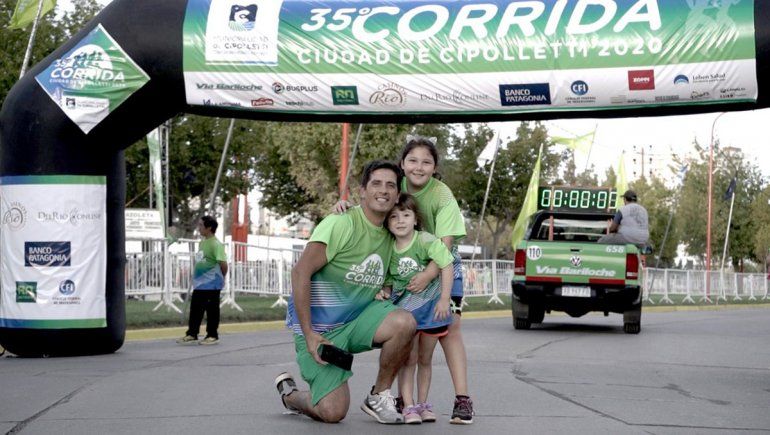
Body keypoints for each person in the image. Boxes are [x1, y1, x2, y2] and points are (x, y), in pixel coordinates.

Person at [334, 135, 474, 424]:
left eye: (426, 162)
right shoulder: (395, 189)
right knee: (408, 335)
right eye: (412, 160)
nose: (418, 167)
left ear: (435, 167)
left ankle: (462, 400)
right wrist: (344, 207)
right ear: (402, 163)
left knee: (450, 330)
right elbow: (373, 206)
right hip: (407, 269)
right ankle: (404, 399)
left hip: (442, 264)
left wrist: (429, 274)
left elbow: (445, 245)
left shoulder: (443, 195)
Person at [275, 160, 417, 424]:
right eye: (376, 183)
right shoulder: (341, 223)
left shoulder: (392, 231)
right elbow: (300, 272)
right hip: (321, 332)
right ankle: (292, 397)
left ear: (398, 194)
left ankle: (379, 394)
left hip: (358, 320)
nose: (383, 190)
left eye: (390, 185)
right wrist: (309, 335)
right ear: (362, 190)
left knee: (404, 322)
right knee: (332, 412)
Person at [378, 193, 454, 424]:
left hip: (432, 311)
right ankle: (408, 405)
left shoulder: (426, 240)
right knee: (408, 360)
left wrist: (444, 298)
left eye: (406, 215)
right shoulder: (389, 248)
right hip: (406, 315)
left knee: (425, 359)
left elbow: (447, 264)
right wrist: (384, 293)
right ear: (388, 223)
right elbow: (390, 283)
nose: (400, 220)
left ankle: (423, 404)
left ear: (415, 219)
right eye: (394, 216)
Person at [177, 215, 228, 345]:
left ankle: (212, 335)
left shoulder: (216, 244)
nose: (198, 228)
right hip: (200, 284)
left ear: (209, 228)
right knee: (195, 310)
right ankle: (192, 334)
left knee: (212, 311)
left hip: (212, 284)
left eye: (201, 225)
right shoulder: (202, 242)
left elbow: (223, 264)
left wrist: (221, 278)